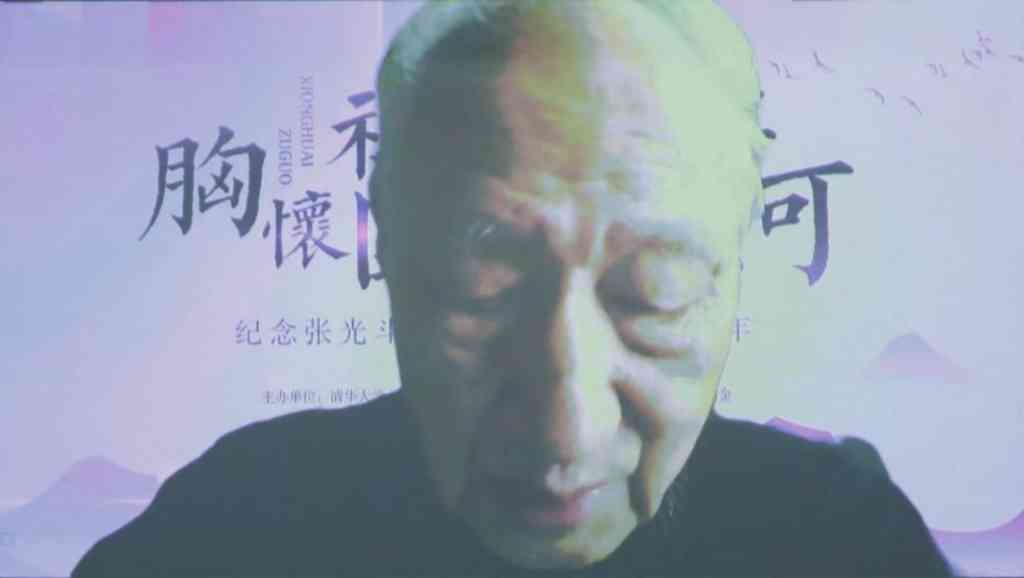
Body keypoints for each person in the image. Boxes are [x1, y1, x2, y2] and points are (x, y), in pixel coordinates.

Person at [73, 1, 954, 576]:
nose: (567, 430)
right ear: (388, 252)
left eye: (656, 292)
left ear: (735, 270)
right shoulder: (233, 530)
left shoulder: (838, 540)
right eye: (481, 283)